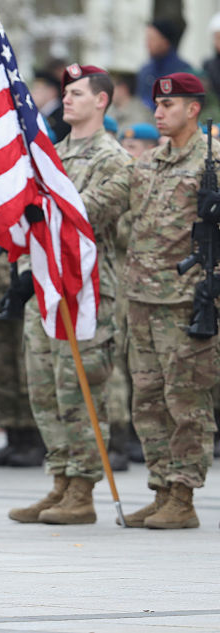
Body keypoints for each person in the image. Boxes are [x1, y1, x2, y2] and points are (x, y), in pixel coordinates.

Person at [8, 65, 131, 525]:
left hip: (89, 292)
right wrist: (24, 272)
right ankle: (59, 480)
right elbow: (32, 227)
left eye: (78, 93)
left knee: (79, 390)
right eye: (66, 93)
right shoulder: (50, 156)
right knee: (43, 388)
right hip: (47, 290)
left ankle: (83, 487)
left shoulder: (113, 159)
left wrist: (42, 202)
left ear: (102, 101)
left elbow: (86, 214)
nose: (68, 100)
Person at [122, 72, 218, 529]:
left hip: (185, 301)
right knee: (147, 400)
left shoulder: (212, 163)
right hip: (141, 297)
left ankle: (184, 494)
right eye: (157, 106)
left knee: (187, 401)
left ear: (193, 109)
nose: (158, 114)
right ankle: (161, 488)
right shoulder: (147, 163)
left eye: (169, 107)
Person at [136, 20, 193, 110]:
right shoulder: (145, 70)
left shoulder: (183, 70)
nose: (147, 44)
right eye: (147, 39)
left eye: (152, 39)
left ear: (165, 42)